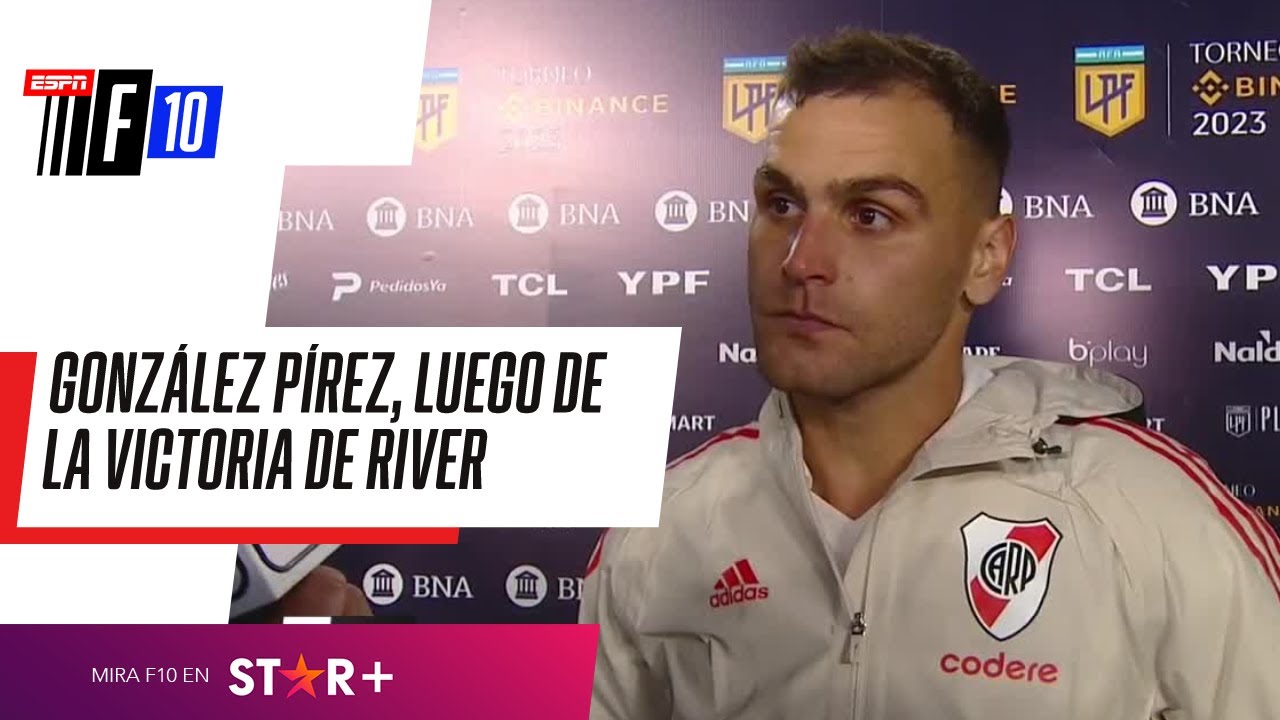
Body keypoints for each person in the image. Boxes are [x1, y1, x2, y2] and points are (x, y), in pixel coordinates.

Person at [577, 28, 1280, 720]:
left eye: (871, 215)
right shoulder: (655, 530)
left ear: (985, 258)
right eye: (782, 205)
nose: (800, 260)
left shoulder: (1158, 515)